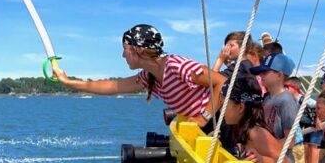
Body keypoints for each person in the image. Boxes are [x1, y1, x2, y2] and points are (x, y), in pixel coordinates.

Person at [54, 24, 225, 129]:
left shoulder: (177, 66)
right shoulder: (149, 76)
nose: (123, 55)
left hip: (222, 123)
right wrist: (70, 83)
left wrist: (203, 118)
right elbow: (112, 86)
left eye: (125, 49)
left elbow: (222, 83)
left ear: (138, 49)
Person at [222, 75, 295, 163]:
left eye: (224, 103)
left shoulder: (255, 132)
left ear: (240, 107)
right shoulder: (239, 129)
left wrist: (263, 161)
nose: (221, 109)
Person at [250, 53, 299, 163]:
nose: (261, 76)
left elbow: (290, 140)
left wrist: (266, 146)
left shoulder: (286, 101)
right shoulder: (266, 99)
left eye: (265, 72)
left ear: (279, 75)